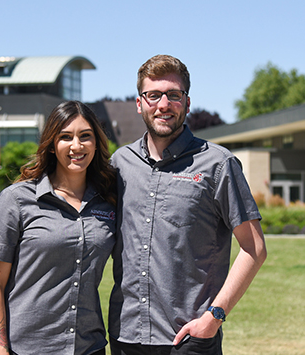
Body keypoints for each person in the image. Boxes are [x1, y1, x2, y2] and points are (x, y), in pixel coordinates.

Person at [108, 55, 267, 355]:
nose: (164, 104)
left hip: (190, 340)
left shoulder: (219, 165)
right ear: (139, 103)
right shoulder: (120, 164)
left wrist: (214, 317)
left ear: (188, 102)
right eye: (153, 95)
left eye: (174, 95)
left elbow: (255, 248)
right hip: (126, 337)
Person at [0, 100, 117, 355]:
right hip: (26, 348)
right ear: (52, 145)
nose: (76, 146)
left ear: (96, 143)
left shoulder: (109, 202)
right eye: (65, 137)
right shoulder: (17, 199)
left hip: (89, 347)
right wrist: (0, 352)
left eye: (85, 136)